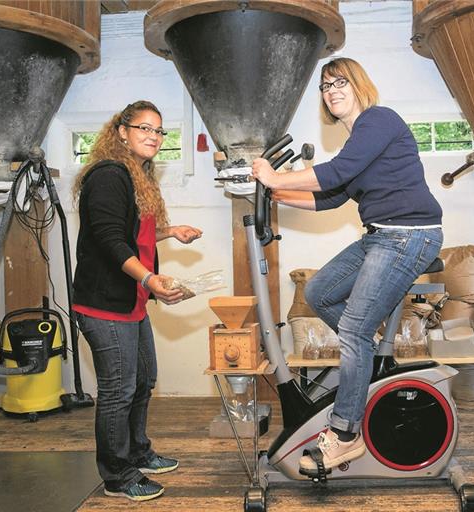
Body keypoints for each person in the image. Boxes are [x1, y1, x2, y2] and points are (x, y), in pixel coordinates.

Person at [251, 57, 444, 473]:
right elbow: (332, 197)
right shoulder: (359, 142)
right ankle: (364, 354)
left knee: (354, 327)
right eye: (324, 86)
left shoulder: (379, 120)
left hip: (411, 234)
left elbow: (335, 172)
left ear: (359, 85)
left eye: (340, 82)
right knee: (321, 292)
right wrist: (276, 195)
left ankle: (344, 434)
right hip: (380, 235)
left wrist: (274, 178)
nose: (332, 90)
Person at [71, 100, 203, 501]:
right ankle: (117, 475)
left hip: (130, 301)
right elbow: (111, 242)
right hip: (103, 305)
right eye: (144, 128)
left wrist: (168, 231)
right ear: (121, 131)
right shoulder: (108, 175)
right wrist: (150, 278)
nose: (153, 136)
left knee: (143, 379)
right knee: (117, 389)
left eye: (159, 131)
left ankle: (137, 452)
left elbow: (131, 232)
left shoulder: (134, 175)